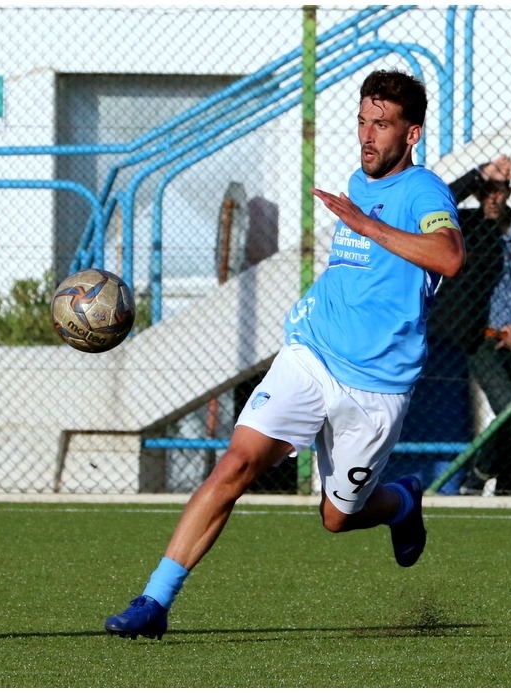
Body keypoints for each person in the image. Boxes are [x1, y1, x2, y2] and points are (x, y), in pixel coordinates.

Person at [104, 69, 465, 640]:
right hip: (311, 354)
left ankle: (401, 501)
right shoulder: (360, 178)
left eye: (382, 125)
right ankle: (155, 601)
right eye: (362, 122)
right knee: (236, 464)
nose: (367, 136)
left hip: (377, 386)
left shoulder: (425, 191)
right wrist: (362, 223)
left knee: (336, 517)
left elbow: (449, 257)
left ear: (412, 134)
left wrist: (366, 225)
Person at [430, 155, 511, 495]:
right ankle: (479, 472)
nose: (493, 198)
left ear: (509, 192)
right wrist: (479, 174)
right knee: (509, 409)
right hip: (482, 339)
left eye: (499, 191)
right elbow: (437, 201)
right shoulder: (466, 226)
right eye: (487, 191)